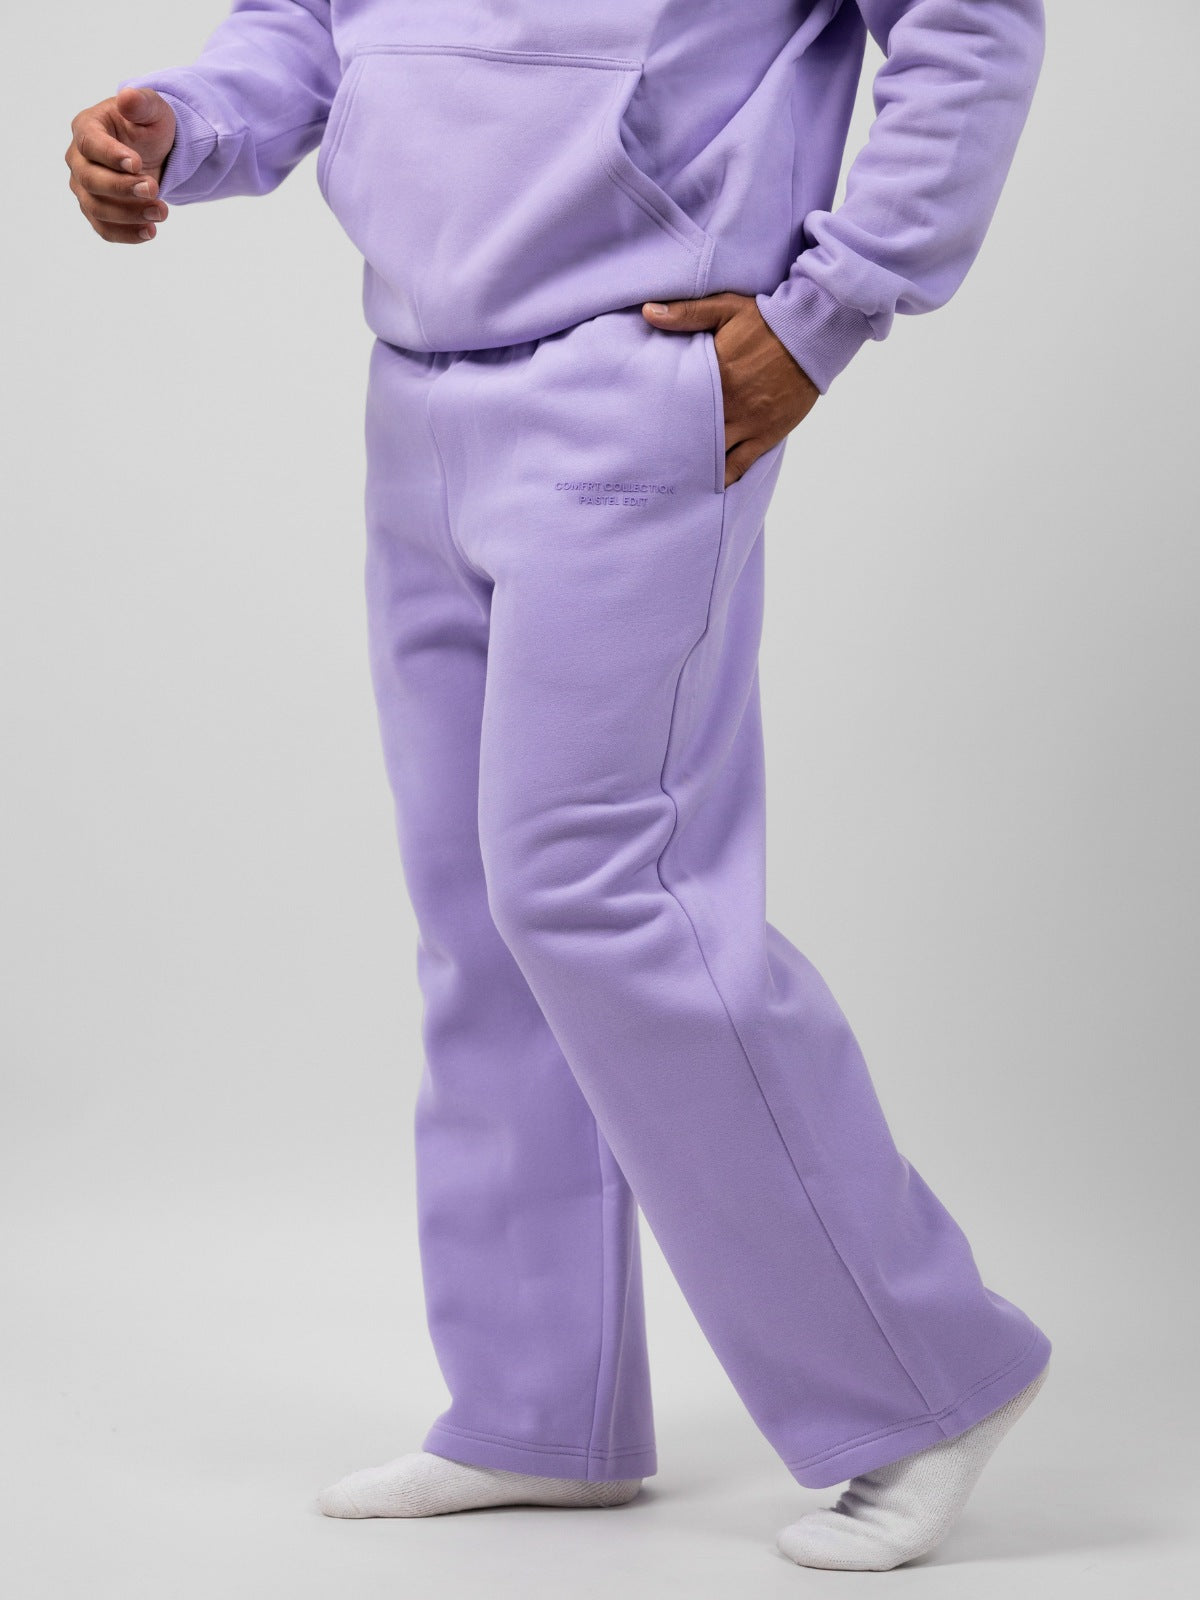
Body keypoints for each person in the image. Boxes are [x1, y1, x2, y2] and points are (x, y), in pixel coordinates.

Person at [65, 0, 1051, 1573]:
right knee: (480, 916)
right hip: (417, 386)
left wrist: (832, 308)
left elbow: (970, 23)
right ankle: (538, 1409)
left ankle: (929, 1378)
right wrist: (185, 123)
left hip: (638, 366)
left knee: (595, 894)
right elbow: (307, 25)